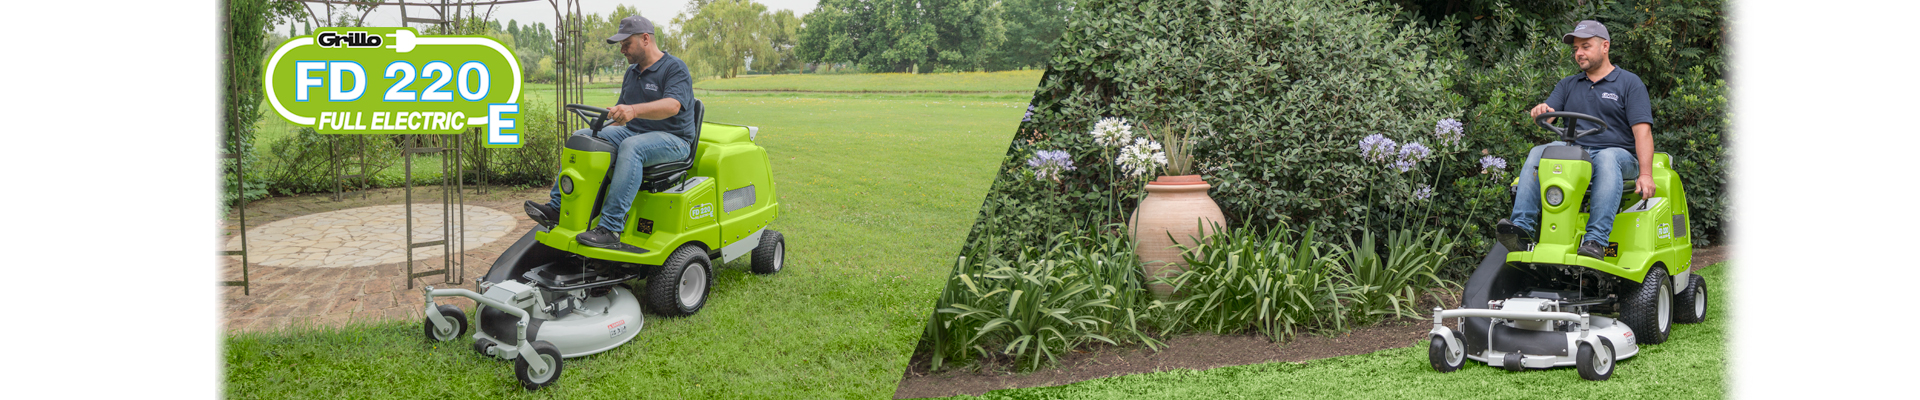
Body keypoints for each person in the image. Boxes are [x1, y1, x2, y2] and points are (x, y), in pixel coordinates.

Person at [524, 15, 697, 250]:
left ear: (645, 39)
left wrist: (634, 111)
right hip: (634, 133)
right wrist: (599, 129)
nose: (622, 50)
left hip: (674, 140)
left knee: (632, 147)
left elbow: (672, 106)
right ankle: (557, 208)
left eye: (626, 44)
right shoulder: (631, 73)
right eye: (621, 45)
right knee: (582, 137)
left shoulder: (674, 68)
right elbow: (621, 118)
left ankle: (611, 227)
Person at [1495, 20, 1656, 260]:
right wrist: (1541, 111)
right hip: (1577, 153)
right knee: (1540, 151)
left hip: (1619, 156)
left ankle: (1595, 240)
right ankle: (1523, 229)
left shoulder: (1629, 83)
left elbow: (1642, 132)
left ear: (1605, 47)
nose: (1579, 53)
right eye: (1576, 49)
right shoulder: (1568, 84)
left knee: (1607, 157)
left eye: (1586, 46)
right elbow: (1549, 114)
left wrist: (1645, 174)